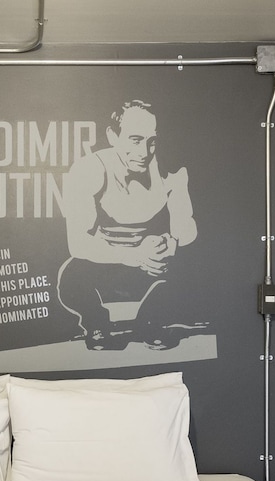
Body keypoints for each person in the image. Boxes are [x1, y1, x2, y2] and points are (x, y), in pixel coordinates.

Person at [58, 99, 198, 350]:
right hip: (105, 263)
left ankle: (151, 322)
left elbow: (187, 228)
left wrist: (171, 243)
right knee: (70, 279)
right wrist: (132, 256)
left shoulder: (173, 170)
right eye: (135, 140)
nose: (144, 152)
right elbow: (77, 243)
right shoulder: (90, 169)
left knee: (193, 265)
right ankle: (95, 322)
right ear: (113, 136)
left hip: (153, 264)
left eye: (151, 141)